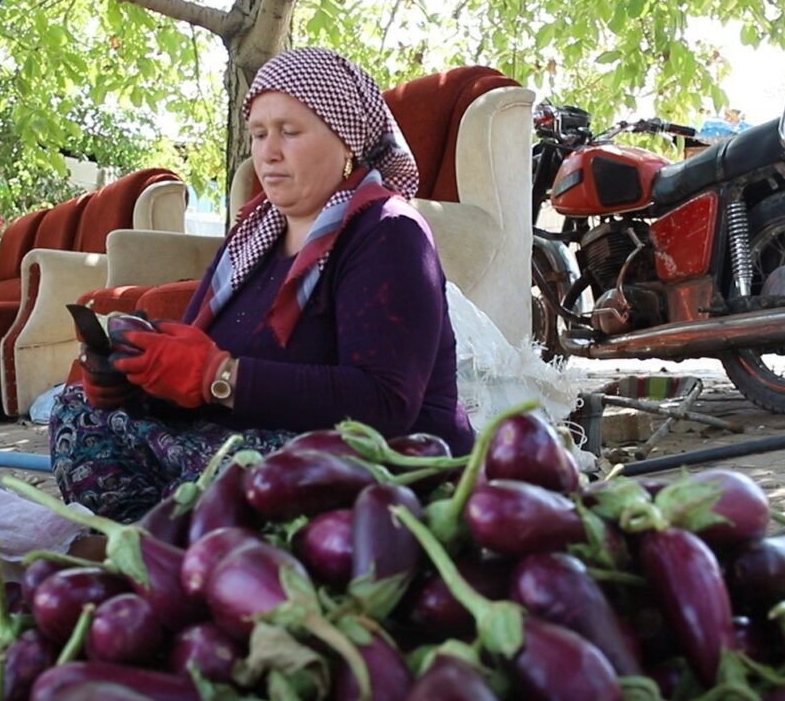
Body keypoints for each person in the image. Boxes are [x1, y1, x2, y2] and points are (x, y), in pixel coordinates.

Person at [50, 47, 474, 522]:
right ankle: (153, 540)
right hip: (253, 437)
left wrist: (222, 377)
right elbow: (194, 370)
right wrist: (135, 379)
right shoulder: (252, 235)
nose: (268, 152)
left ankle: (179, 540)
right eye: (258, 134)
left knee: (239, 467)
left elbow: (385, 402)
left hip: (383, 463)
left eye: (290, 132)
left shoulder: (388, 231)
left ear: (347, 139)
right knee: (80, 414)